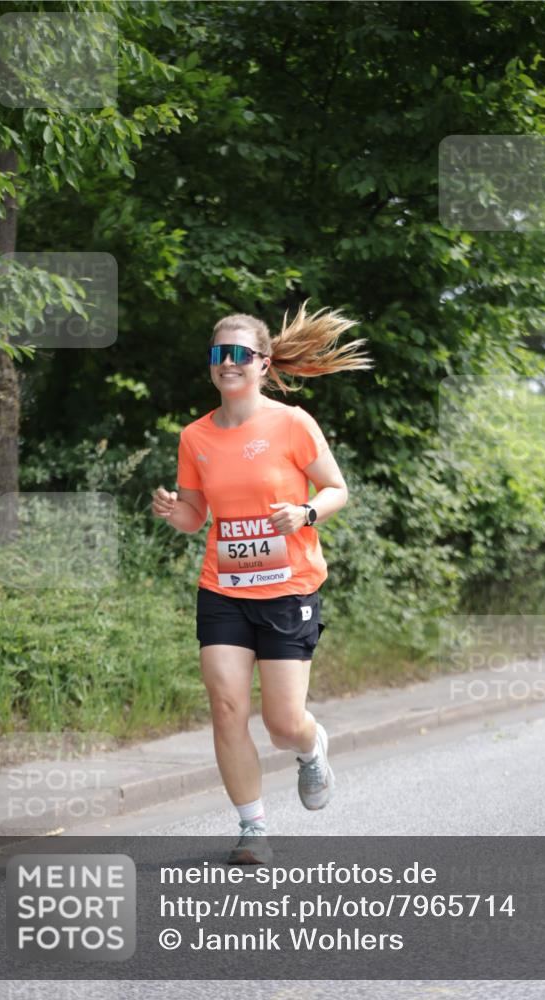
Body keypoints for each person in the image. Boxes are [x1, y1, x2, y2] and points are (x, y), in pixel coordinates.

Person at [152, 299, 372, 864]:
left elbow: (336, 489)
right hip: (223, 588)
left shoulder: (292, 423)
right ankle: (253, 829)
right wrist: (172, 508)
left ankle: (310, 745)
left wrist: (306, 514)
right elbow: (196, 517)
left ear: (264, 363)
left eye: (240, 354)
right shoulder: (195, 437)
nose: (228, 363)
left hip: (289, 588)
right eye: (219, 354)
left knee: (281, 723)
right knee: (226, 706)